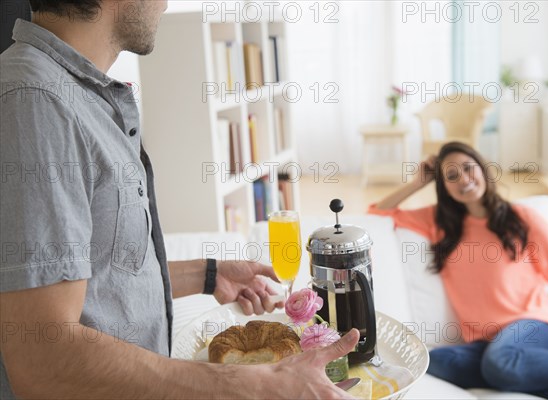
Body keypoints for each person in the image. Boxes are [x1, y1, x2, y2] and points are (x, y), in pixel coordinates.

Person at [0, 1, 359, 398]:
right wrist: (257, 386)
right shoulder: (35, 101)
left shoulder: (78, 98)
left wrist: (208, 274)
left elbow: (99, 275)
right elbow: (44, 359)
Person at [369, 141, 548, 400]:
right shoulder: (438, 223)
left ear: (482, 168)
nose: (464, 179)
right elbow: (376, 214)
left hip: (537, 327)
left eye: (469, 168)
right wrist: (418, 183)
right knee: (432, 362)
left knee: (501, 361)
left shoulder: (522, 218)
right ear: (444, 187)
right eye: (452, 176)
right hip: (488, 344)